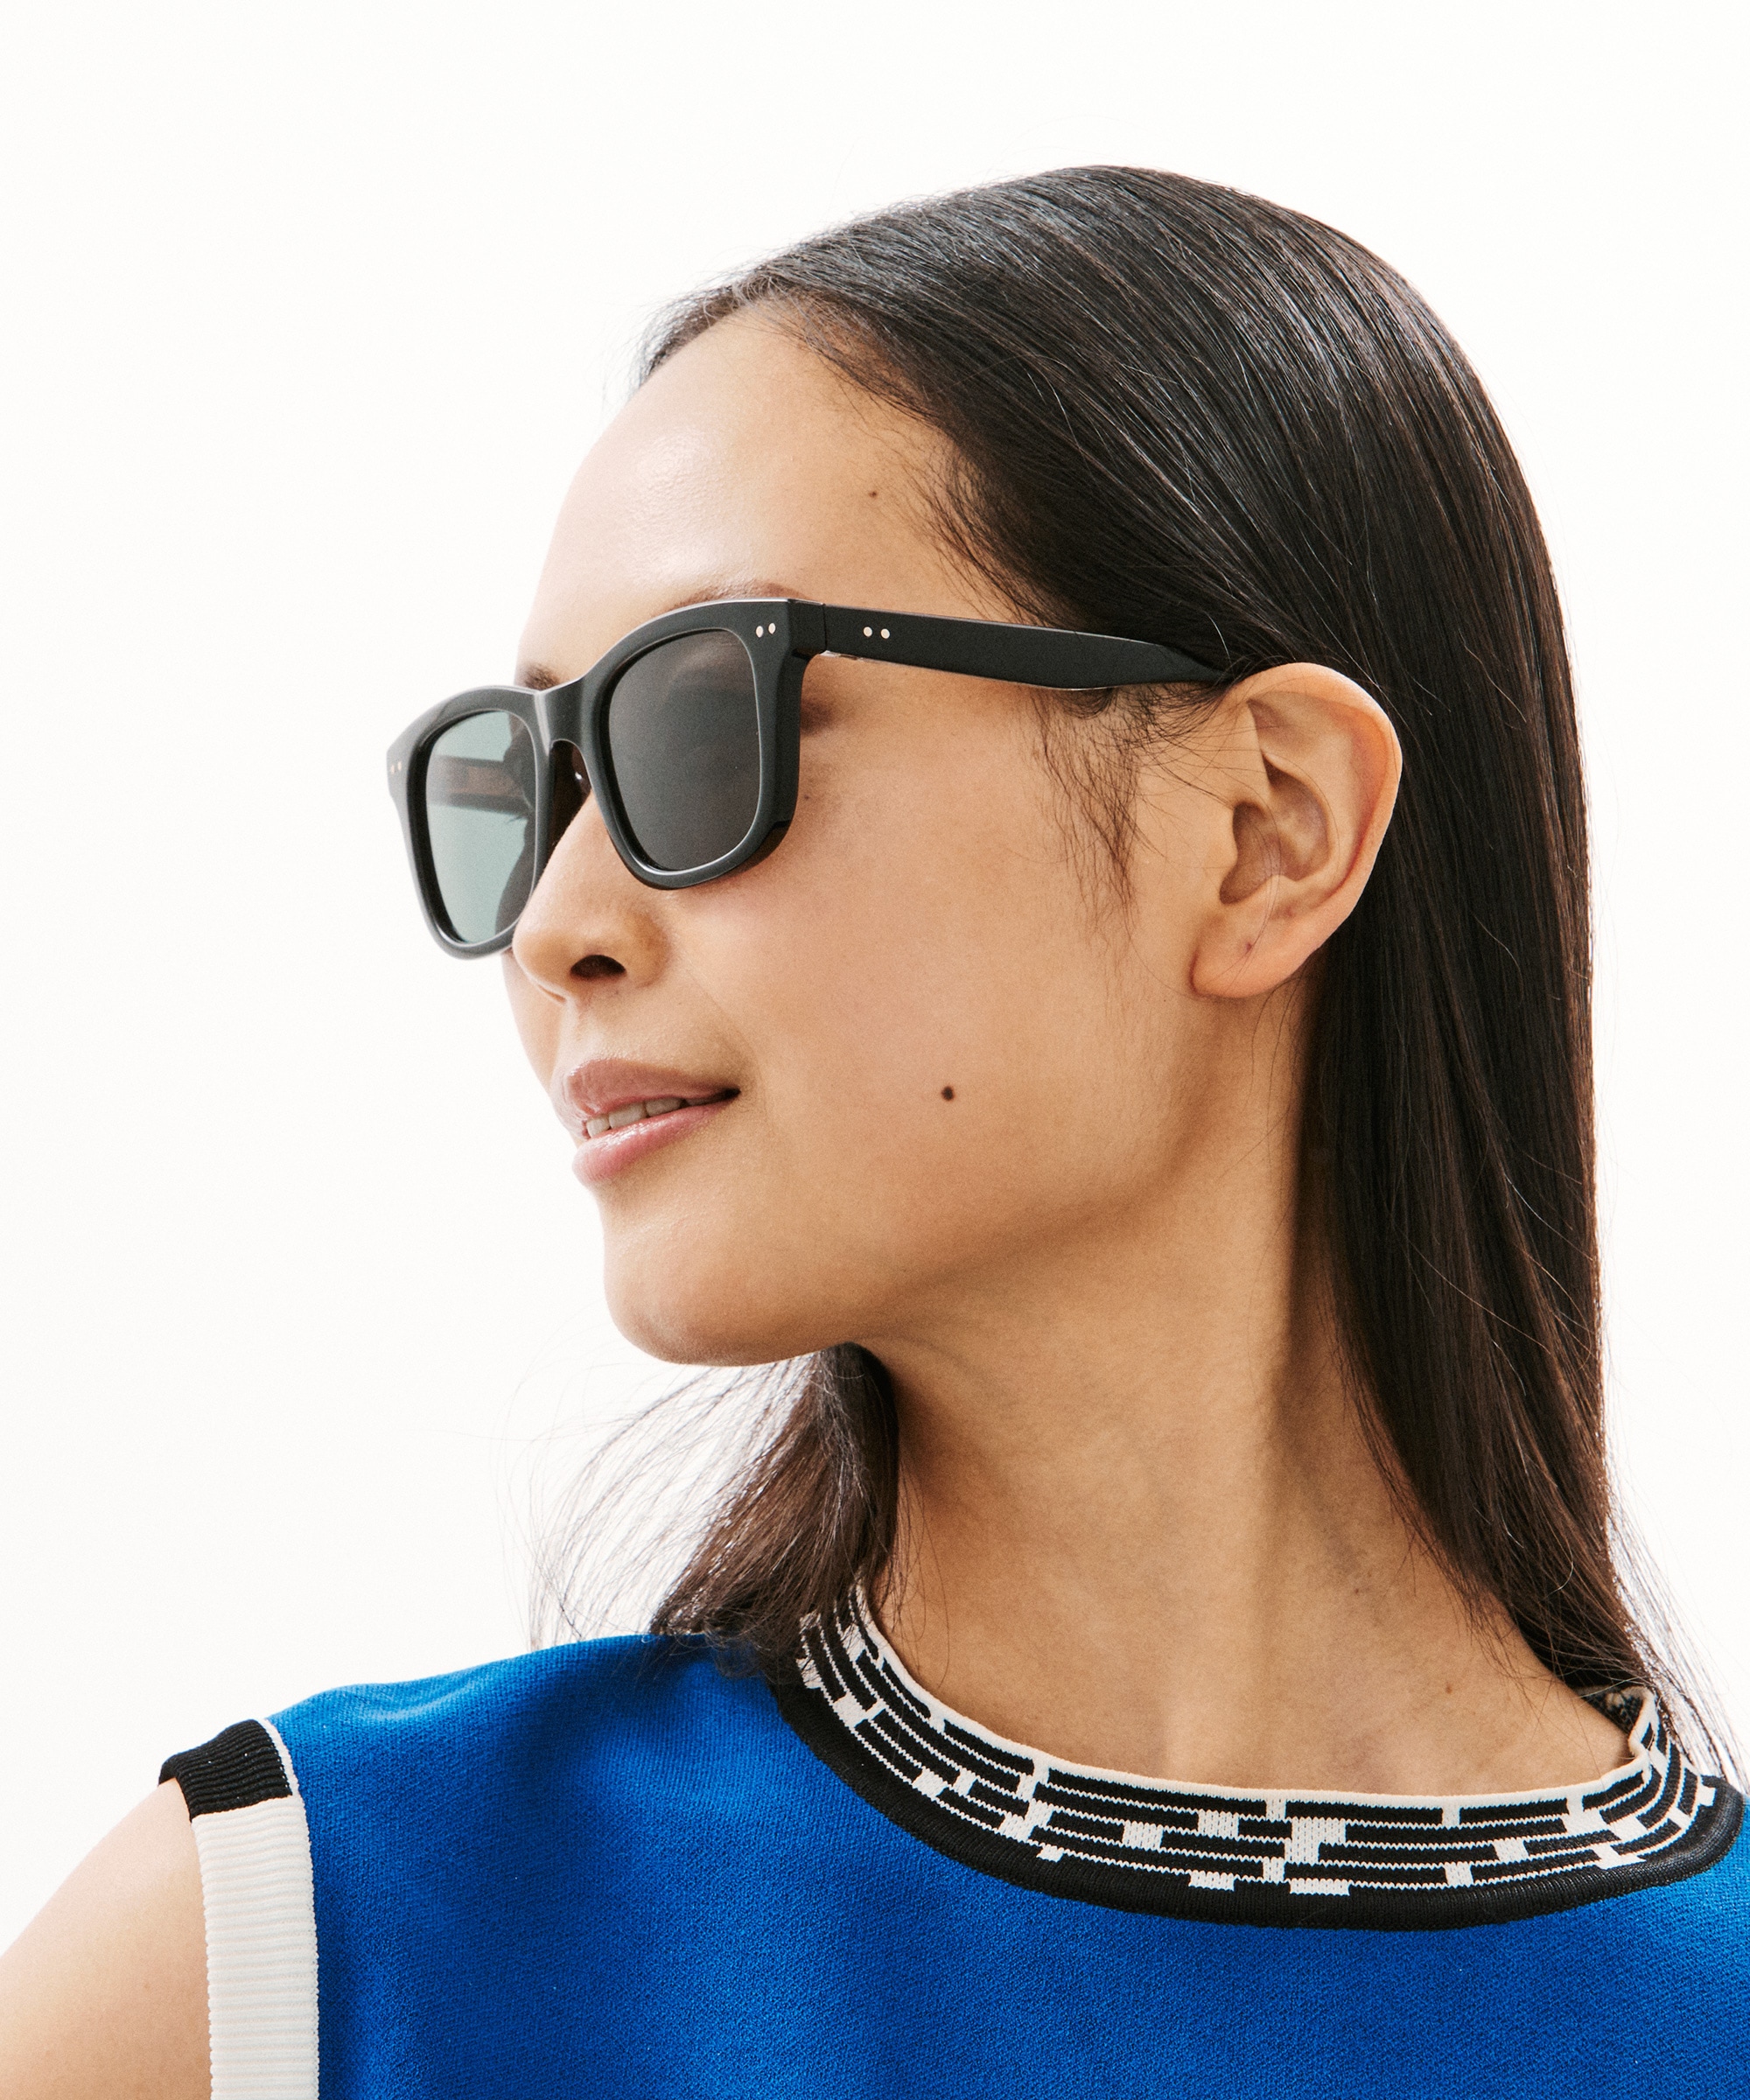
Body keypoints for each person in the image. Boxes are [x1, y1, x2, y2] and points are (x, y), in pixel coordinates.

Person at [2, 165, 1742, 2097]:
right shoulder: (289, 1952)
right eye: (526, 782)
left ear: (1265, 831)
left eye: (698, 728)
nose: (557, 924)